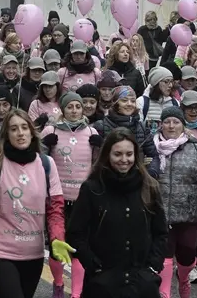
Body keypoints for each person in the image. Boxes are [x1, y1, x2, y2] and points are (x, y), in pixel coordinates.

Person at [0, 109, 73, 298]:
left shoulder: (47, 164)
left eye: (24, 127)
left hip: (33, 254)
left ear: (31, 131)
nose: (20, 133)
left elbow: (55, 209)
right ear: (6, 135)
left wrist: (57, 238)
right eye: (13, 129)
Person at [65, 128, 168, 298]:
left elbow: (161, 232)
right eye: (118, 154)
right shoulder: (92, 189)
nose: (124, 160)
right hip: (102, 284)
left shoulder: (149, 187)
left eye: (129, 154)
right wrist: (93, 266)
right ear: (107, 155)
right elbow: (76, 233)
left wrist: (153, 266)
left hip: (142, 283)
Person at [39, 92, 101, 298]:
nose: (74, 110)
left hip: (82, 199)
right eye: (70, 107)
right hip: (57, 198)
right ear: (63, 110)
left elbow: (97, 166)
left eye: (77, 106)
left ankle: (75, 293)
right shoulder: (51, 129)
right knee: (57, 244)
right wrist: (44, 144)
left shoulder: (91, 131)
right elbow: (37, 161)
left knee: (78, 247)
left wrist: (99, 147)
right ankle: (58, 284)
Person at [153, 107, 197, 298]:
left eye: (175, 122)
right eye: (167, 122)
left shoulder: (196, 147)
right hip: (160, 213)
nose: (171, 126)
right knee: (163, 257)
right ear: (161, 124)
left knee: (187, 256)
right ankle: (164, 293)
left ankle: (184, 281)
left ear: (183, 125)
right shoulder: (151, 146)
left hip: (189, 213)